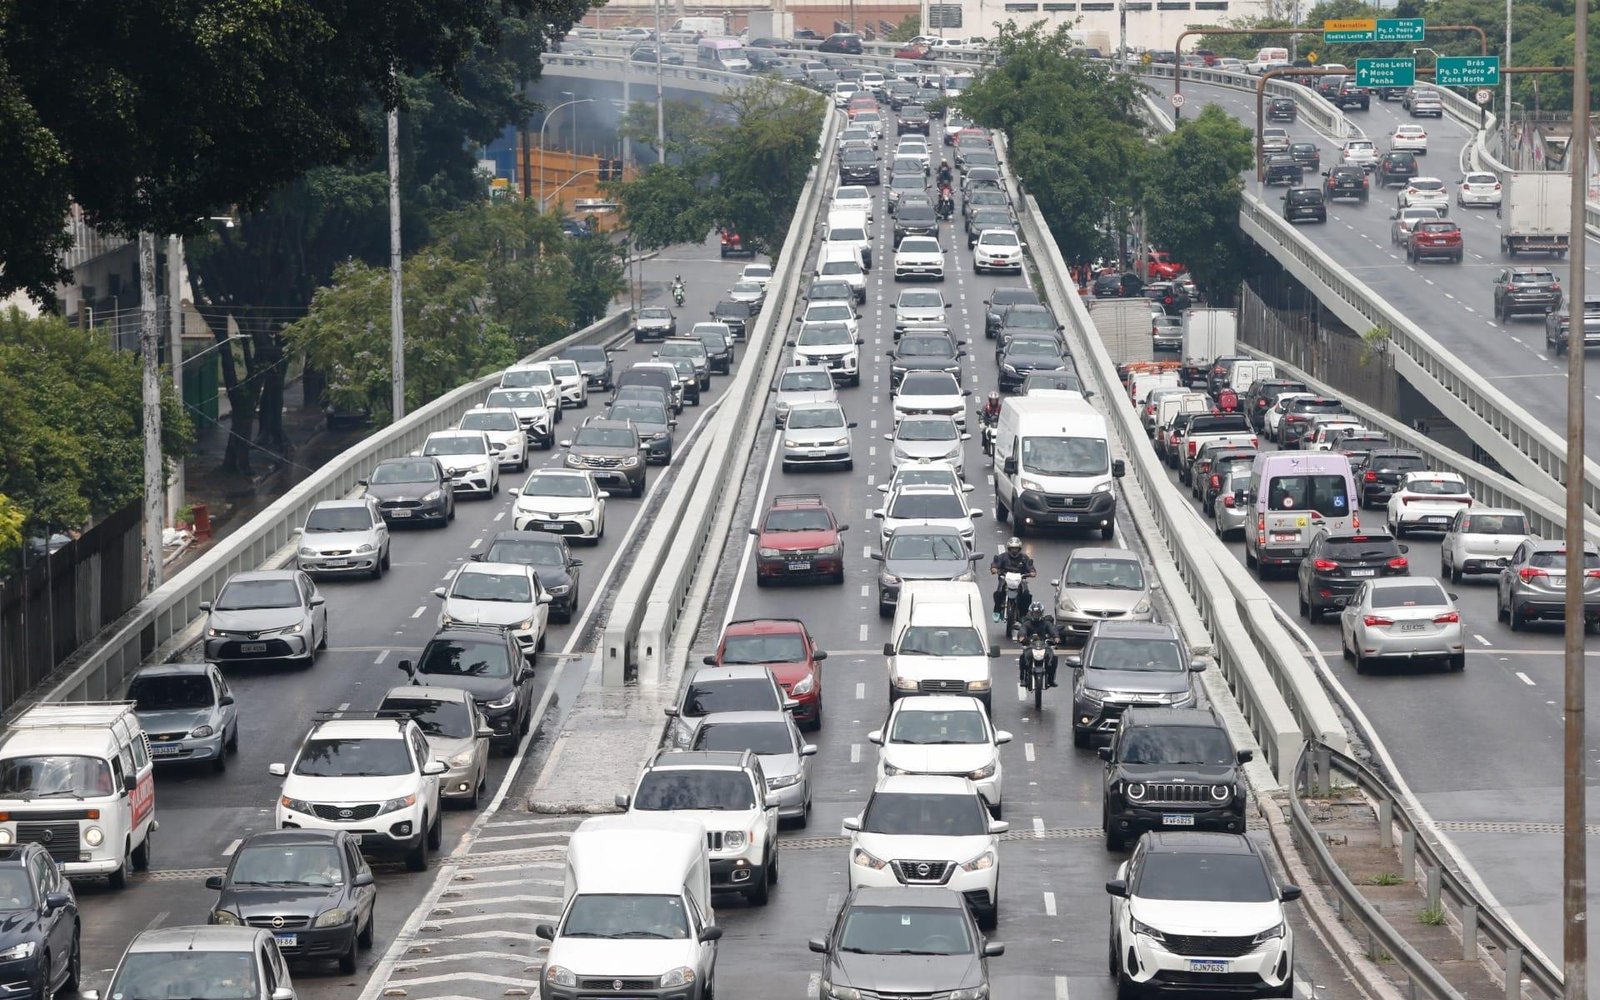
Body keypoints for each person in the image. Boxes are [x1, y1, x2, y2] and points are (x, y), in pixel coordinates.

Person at [988, 537, 1035, 622]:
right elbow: (995, 564)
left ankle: (1023, 614)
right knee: (999, 592)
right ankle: (997, 610)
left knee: (1026, 594)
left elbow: (1030, 567)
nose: (1014, 550)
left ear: (1019, 548)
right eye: (1012, 548)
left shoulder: (1024, 558)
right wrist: (994, 568)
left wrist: (1032, 572)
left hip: (1020, 579)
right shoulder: (1003, 557)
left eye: (1016, 548)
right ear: (1009, 548)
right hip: (1005, 578)